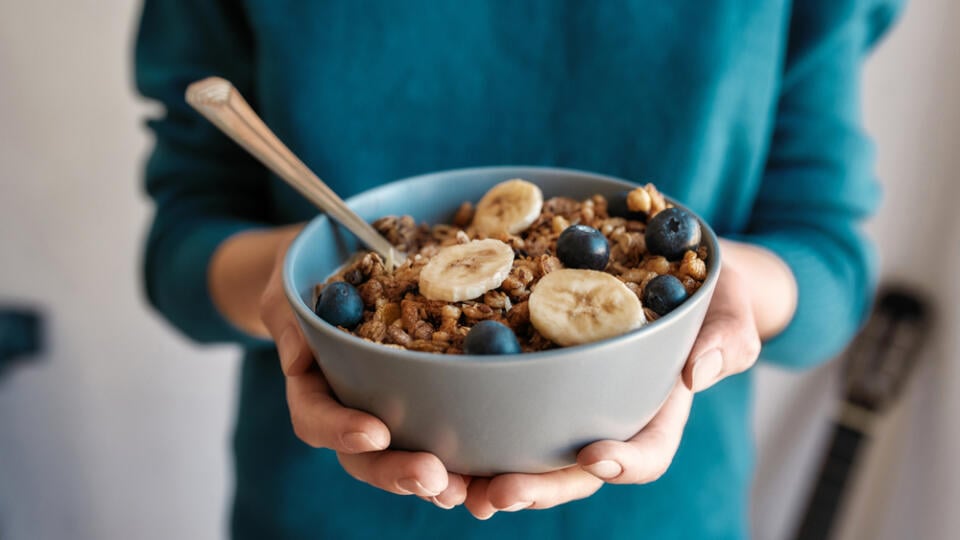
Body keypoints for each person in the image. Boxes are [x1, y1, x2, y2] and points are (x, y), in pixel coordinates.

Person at [135, 1, 902, 538]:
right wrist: (293, 283)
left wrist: (732, 294)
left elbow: (827, 260)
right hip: (325, 511)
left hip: (658, 518)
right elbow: (182, 249)